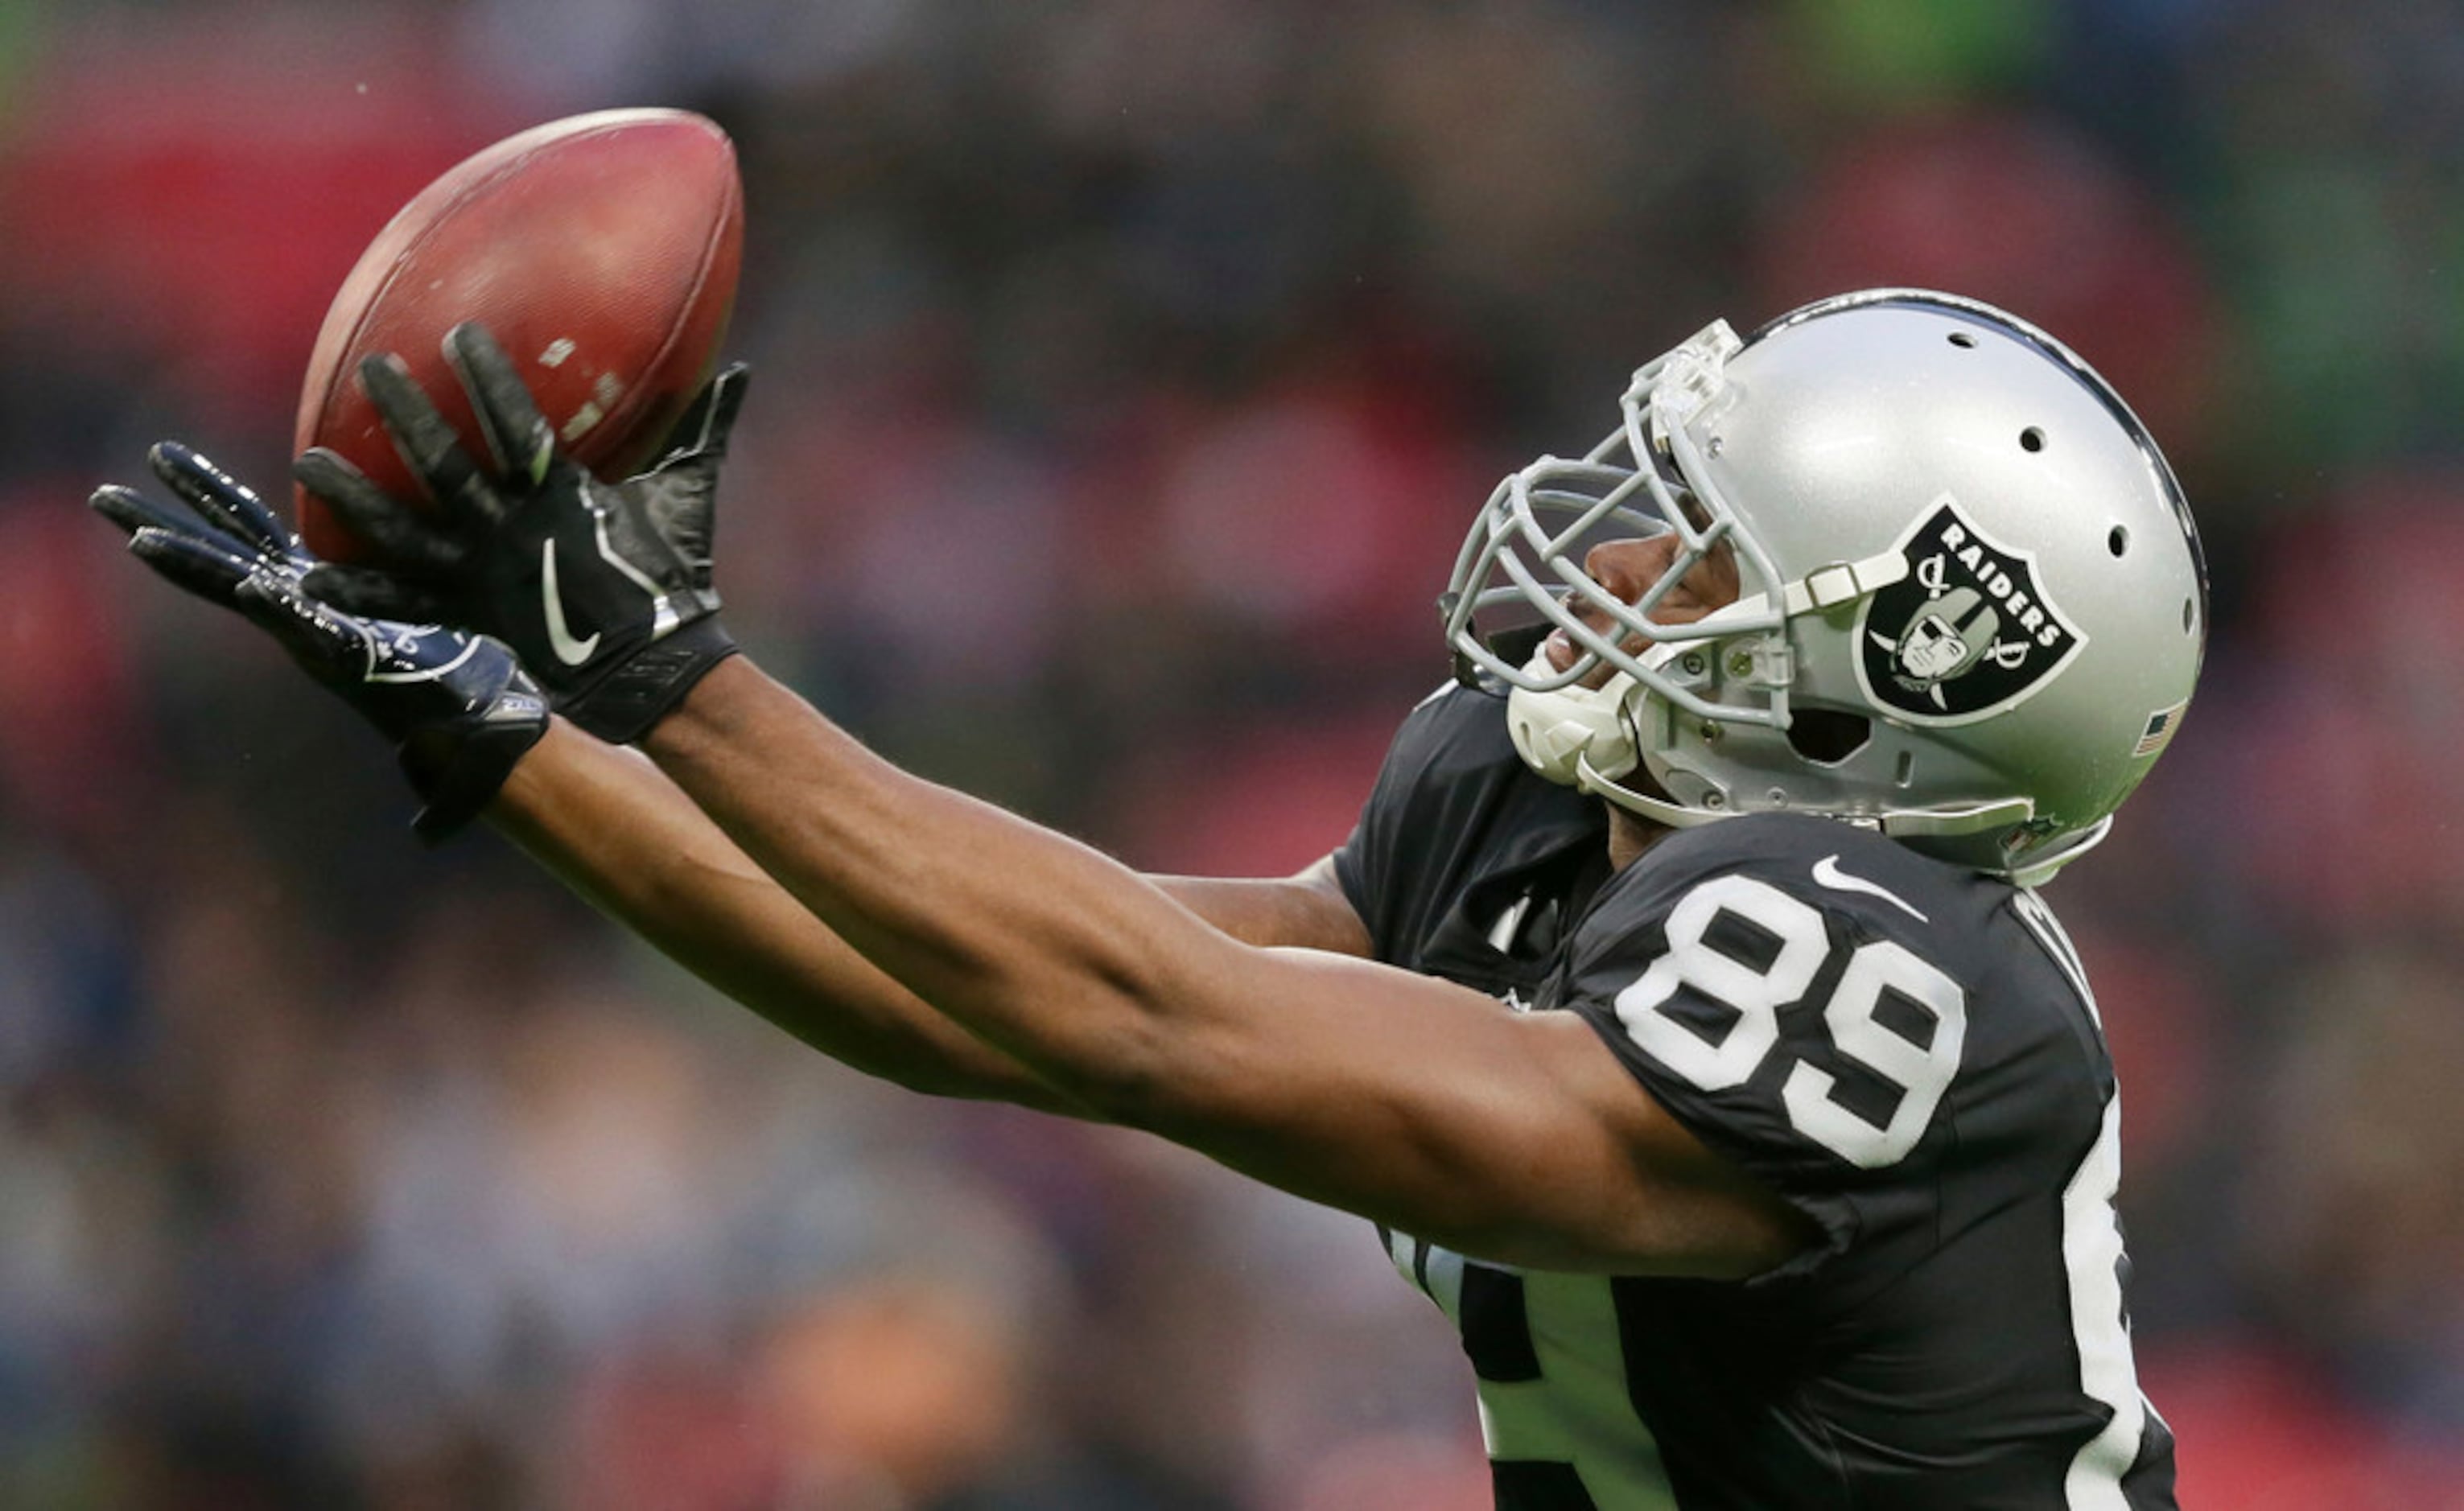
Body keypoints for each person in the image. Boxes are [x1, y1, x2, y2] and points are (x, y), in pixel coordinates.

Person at [94, 287, 2203, 1509]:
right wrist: (512, 721)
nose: (1626, 557)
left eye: (1710, 552)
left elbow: (1146, 1022)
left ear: (1879, 704)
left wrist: (669, 669)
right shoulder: (1527, 810)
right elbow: (980, 995)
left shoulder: (1908, 989)